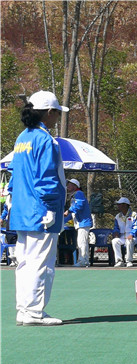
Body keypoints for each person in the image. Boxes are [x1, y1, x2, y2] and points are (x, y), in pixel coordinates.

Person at [7, 90, 68, 326]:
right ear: (49, 112)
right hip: (41, 211)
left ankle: (24, 310)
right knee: (41, 263)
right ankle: (34, 312)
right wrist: (51, 207)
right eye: (57, 113)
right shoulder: (45, 139)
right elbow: (46, 177)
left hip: (22, 210)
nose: (58, 118)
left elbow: (15, 176)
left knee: (24, 263)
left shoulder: (22, 138)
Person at [64, 178, 93, 267]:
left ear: (75, 186)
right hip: (81, 223)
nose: (68, 186)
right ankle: (85, 260)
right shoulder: (75, 195)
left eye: (70, 184)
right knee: (82, 242)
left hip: (83, 223)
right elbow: (73, 212)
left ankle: (82, 260)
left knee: (81, 242)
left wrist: (68, 211)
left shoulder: (78, 193)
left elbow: (79, 206)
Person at [112, 197, 137, 267]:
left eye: (120, 204)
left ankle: (129, 261)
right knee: (114, 241)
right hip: (122, 237)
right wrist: (116, 232)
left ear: (125, 205)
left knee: (129, 241)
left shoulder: (134, 215)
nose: (118, 206)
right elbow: (116, 227)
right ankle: (119, 261)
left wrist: (132, 234)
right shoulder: (117, 216)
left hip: (134, 237)